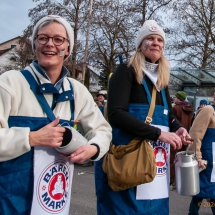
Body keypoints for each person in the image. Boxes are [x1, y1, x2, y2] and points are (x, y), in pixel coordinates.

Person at [0, 15, 112, 215]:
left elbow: (103, 130)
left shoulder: (77, 91)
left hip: (52, 204)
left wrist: (93, 149)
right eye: (43, 38)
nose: (49, 44)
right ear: (35, 46)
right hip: (9, 203)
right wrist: (31, 137)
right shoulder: (9, 83)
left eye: (58, 39)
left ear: (67, 50)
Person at [94, 20, 192, 215]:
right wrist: (158, 134)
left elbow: (168, 115)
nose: (155, 43)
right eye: (149, 39)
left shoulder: (162, 79)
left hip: (156, 168)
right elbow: (116, 114)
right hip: (128, 162)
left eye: (159, 40)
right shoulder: (125, 71)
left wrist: (178, 128)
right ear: (140, 45)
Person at [187, 105, 215, 215]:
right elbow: (195, 135)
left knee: (208, 190)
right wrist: (197, 156)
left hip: (213, 160)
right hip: (206, 159)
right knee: (201, 190)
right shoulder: (209, 110)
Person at [170, 91, 194, 189]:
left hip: (176, 136)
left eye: (175, 97)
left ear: (178, 98)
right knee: (181, 160)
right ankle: (181, 181)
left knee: (172, 159)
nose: (174, 98)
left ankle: (171, 182)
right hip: (185, 136)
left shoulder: (176, 108)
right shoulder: (189, 108)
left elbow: (171, 121)